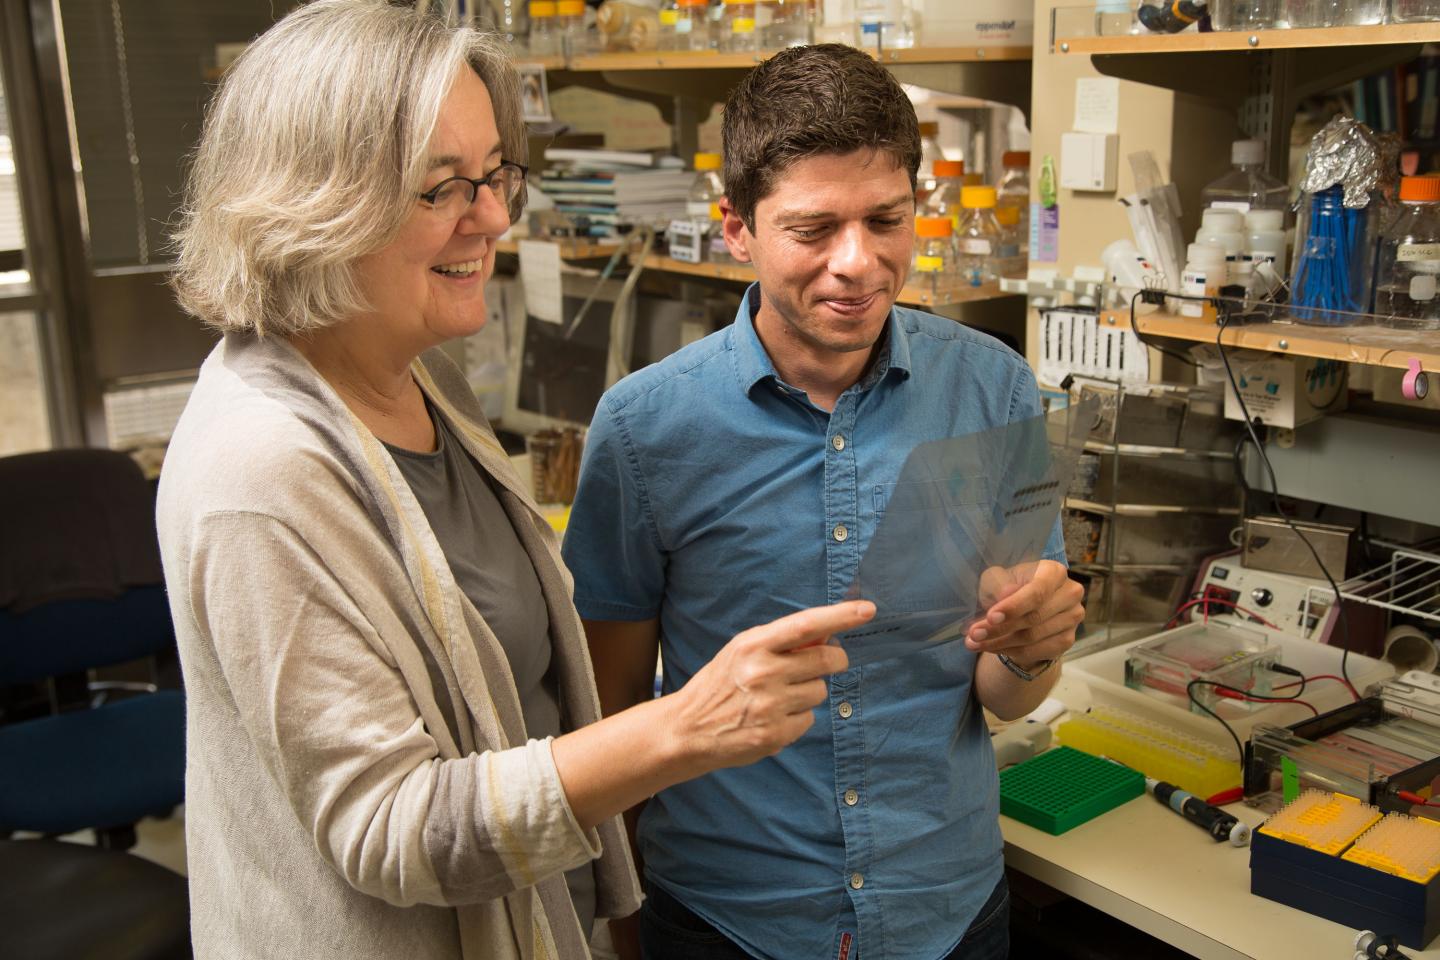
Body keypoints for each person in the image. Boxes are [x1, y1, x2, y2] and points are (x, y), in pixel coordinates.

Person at [158, 5, 872, 959]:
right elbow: (394, 827)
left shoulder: (419, 376)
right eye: (441, 188)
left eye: (494, 174)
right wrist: (684, 728)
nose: (493, 216)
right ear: (316, 201)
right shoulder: (263, 472)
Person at [563, 44, 1085, 960]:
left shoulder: (995, 390)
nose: (858, 263)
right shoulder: (646, 430)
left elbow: (1003, 696)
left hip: (947, 909)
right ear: (738, 230)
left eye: (886, 219)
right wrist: (623, 924)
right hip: (730, 918)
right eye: (813, 229)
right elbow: (612, 722)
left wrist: (1033, 645)